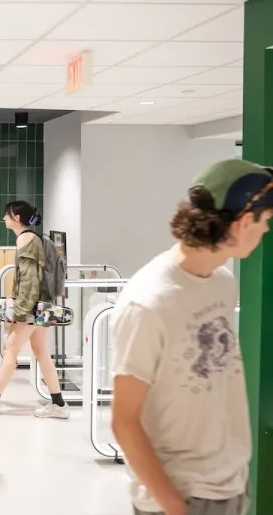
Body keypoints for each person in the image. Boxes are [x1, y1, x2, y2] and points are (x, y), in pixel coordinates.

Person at [111, 159, 266, 515]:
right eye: (265, 220)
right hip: (182, 497)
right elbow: (124, 420)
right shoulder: (148, 303)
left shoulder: (223, 284)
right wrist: (175, 507)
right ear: (244, 223)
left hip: (232, 485)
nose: (267, 230)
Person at [0, 201, 70, 419]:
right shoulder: (36, 238)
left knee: (10, 349)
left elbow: (30, 279)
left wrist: (21, 310)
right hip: (42, 306)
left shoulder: (25, 238)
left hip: (31, 308)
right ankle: (59, 404)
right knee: (41, 352)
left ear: (16, 217)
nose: (4, 218)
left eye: (7, 214)